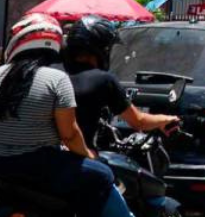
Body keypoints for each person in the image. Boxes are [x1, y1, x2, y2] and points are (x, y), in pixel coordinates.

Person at [0, 14, 132, 217]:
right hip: (34, 166)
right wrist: (90, 155)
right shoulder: (57, 79)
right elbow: (69, 135)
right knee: (103, 174)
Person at [63, 16, 178, 149]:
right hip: (80, 157)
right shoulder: (103, 80)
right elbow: (138, 121)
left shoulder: (54, 72)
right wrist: (166, 120)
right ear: (101, 49)